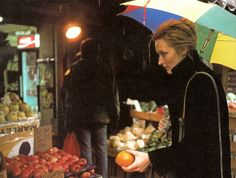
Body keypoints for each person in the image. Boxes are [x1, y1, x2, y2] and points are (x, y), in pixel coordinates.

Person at [121, 19, 231, 178]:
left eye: (164, 54)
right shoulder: (184, 79)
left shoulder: (201, 81)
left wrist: (151, 158)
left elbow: (199, 145)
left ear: (184, 49)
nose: (159, 61)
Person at [68, 37, 120, 178]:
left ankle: (88, 176)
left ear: (82, 51)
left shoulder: (76, 67)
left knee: (86, 150)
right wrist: (115, 116)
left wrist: (70, 116)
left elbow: (70, 93)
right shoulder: (104, 68)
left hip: (81, 115)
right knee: (101, 149)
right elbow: (112, 95)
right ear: (97, 52)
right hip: (101, 115)